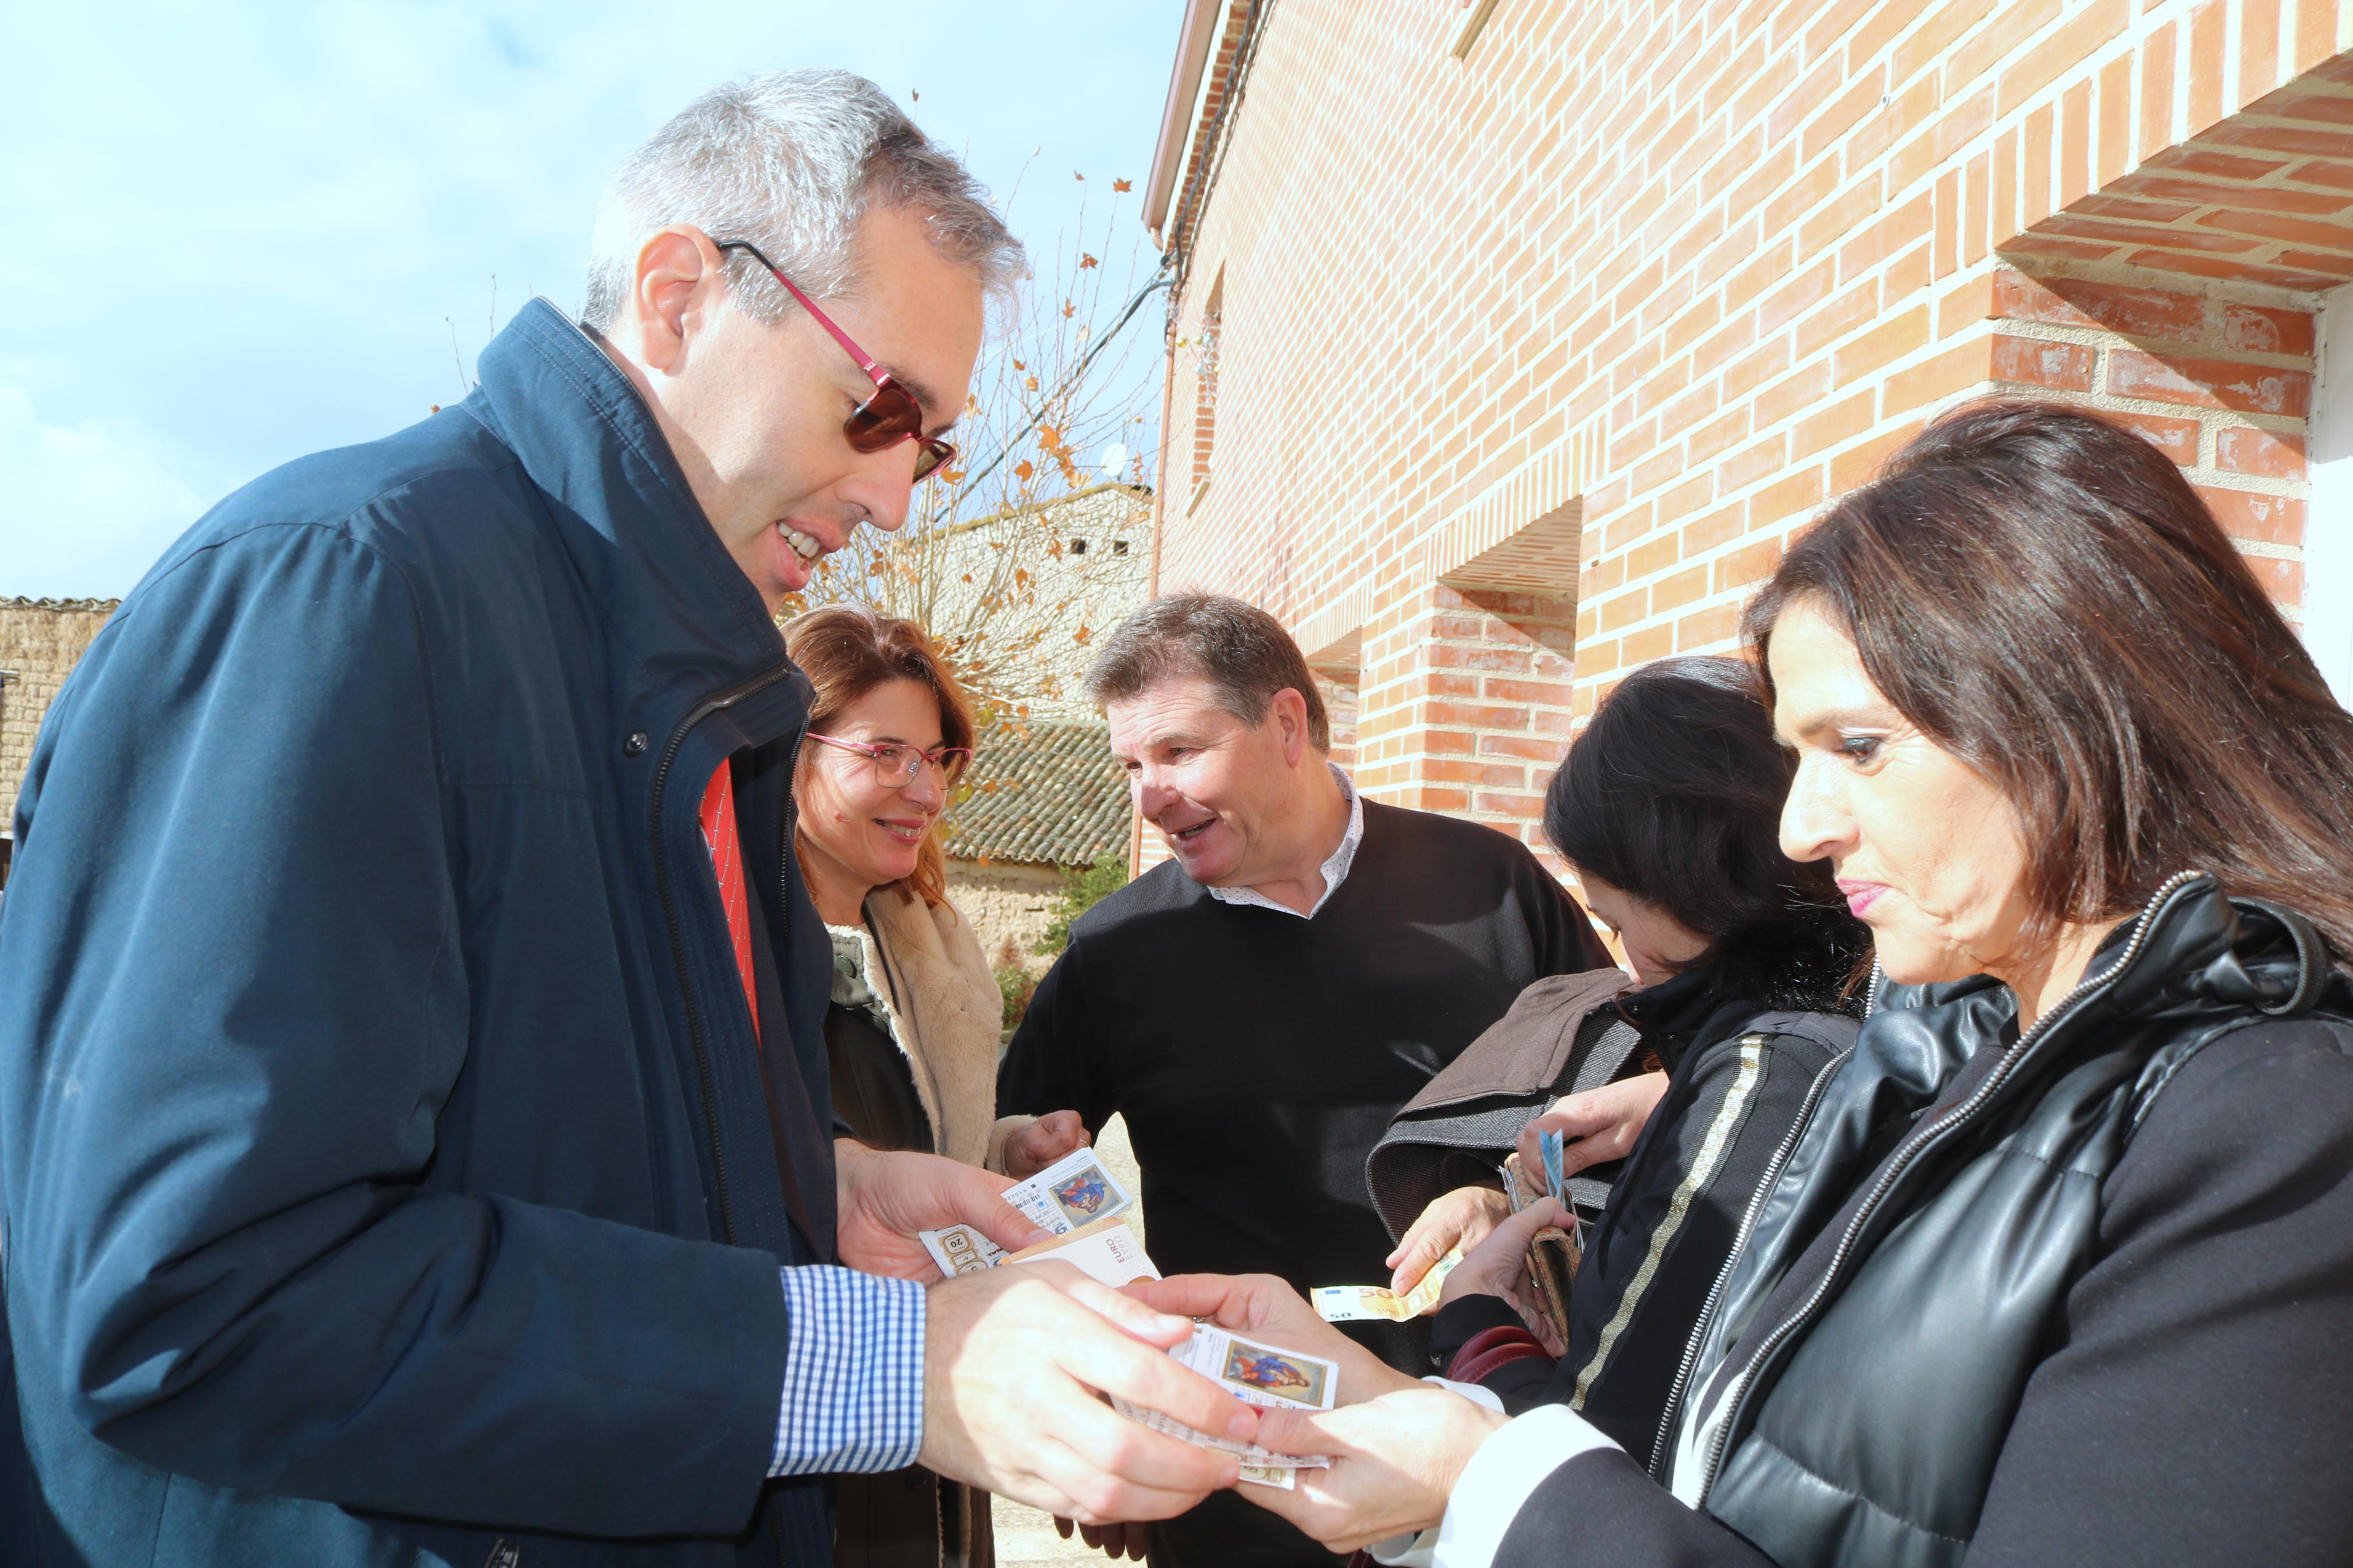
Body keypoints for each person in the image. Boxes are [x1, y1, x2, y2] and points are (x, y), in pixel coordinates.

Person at [0, 72, 1258, 1568]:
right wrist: (874, 1365)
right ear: (678, 297)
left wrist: (824, 1193)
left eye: (927, 446)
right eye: (882, 407)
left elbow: (534, 1148)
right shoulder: (346, 591)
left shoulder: (701, 710)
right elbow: (192, 1294)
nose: (898, 496)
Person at [1139, 402, 2353, 1566]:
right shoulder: (1944, 1058)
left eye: (1859, 748)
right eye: (1792, 757)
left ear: (2070, 719)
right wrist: (1418, 1434)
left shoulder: (2276, 1129)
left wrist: (1481, 1462)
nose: (1800, 827)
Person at [998, 592, 1613, 1567]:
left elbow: (1626, 1114)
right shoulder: (1119, 951)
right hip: (1240, 1464)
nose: (1149, 798)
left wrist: (1500, 1192)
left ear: (1287, 724)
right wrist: (1092, 1405)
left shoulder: (1493, 886)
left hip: (1488, 1428)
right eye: (1132, 766)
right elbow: (1012, 1188)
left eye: (1179, 753)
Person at [1367, 655, 1866, 1474]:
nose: (1627, 968)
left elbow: (1599, 1445)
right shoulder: (1891, 1027)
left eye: (1615, 919)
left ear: (1695, 880)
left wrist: (1478, 1326)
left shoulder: (1763, 1075)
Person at [784, 605, 1091, 1566]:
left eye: (938, 758)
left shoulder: (930, 942)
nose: (924, 789)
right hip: (804, 1406)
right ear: (791, 749)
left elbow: (919, 1142)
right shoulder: (728, 939)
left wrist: (1008, 1149)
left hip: (941, 1393)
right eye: (885, 753)